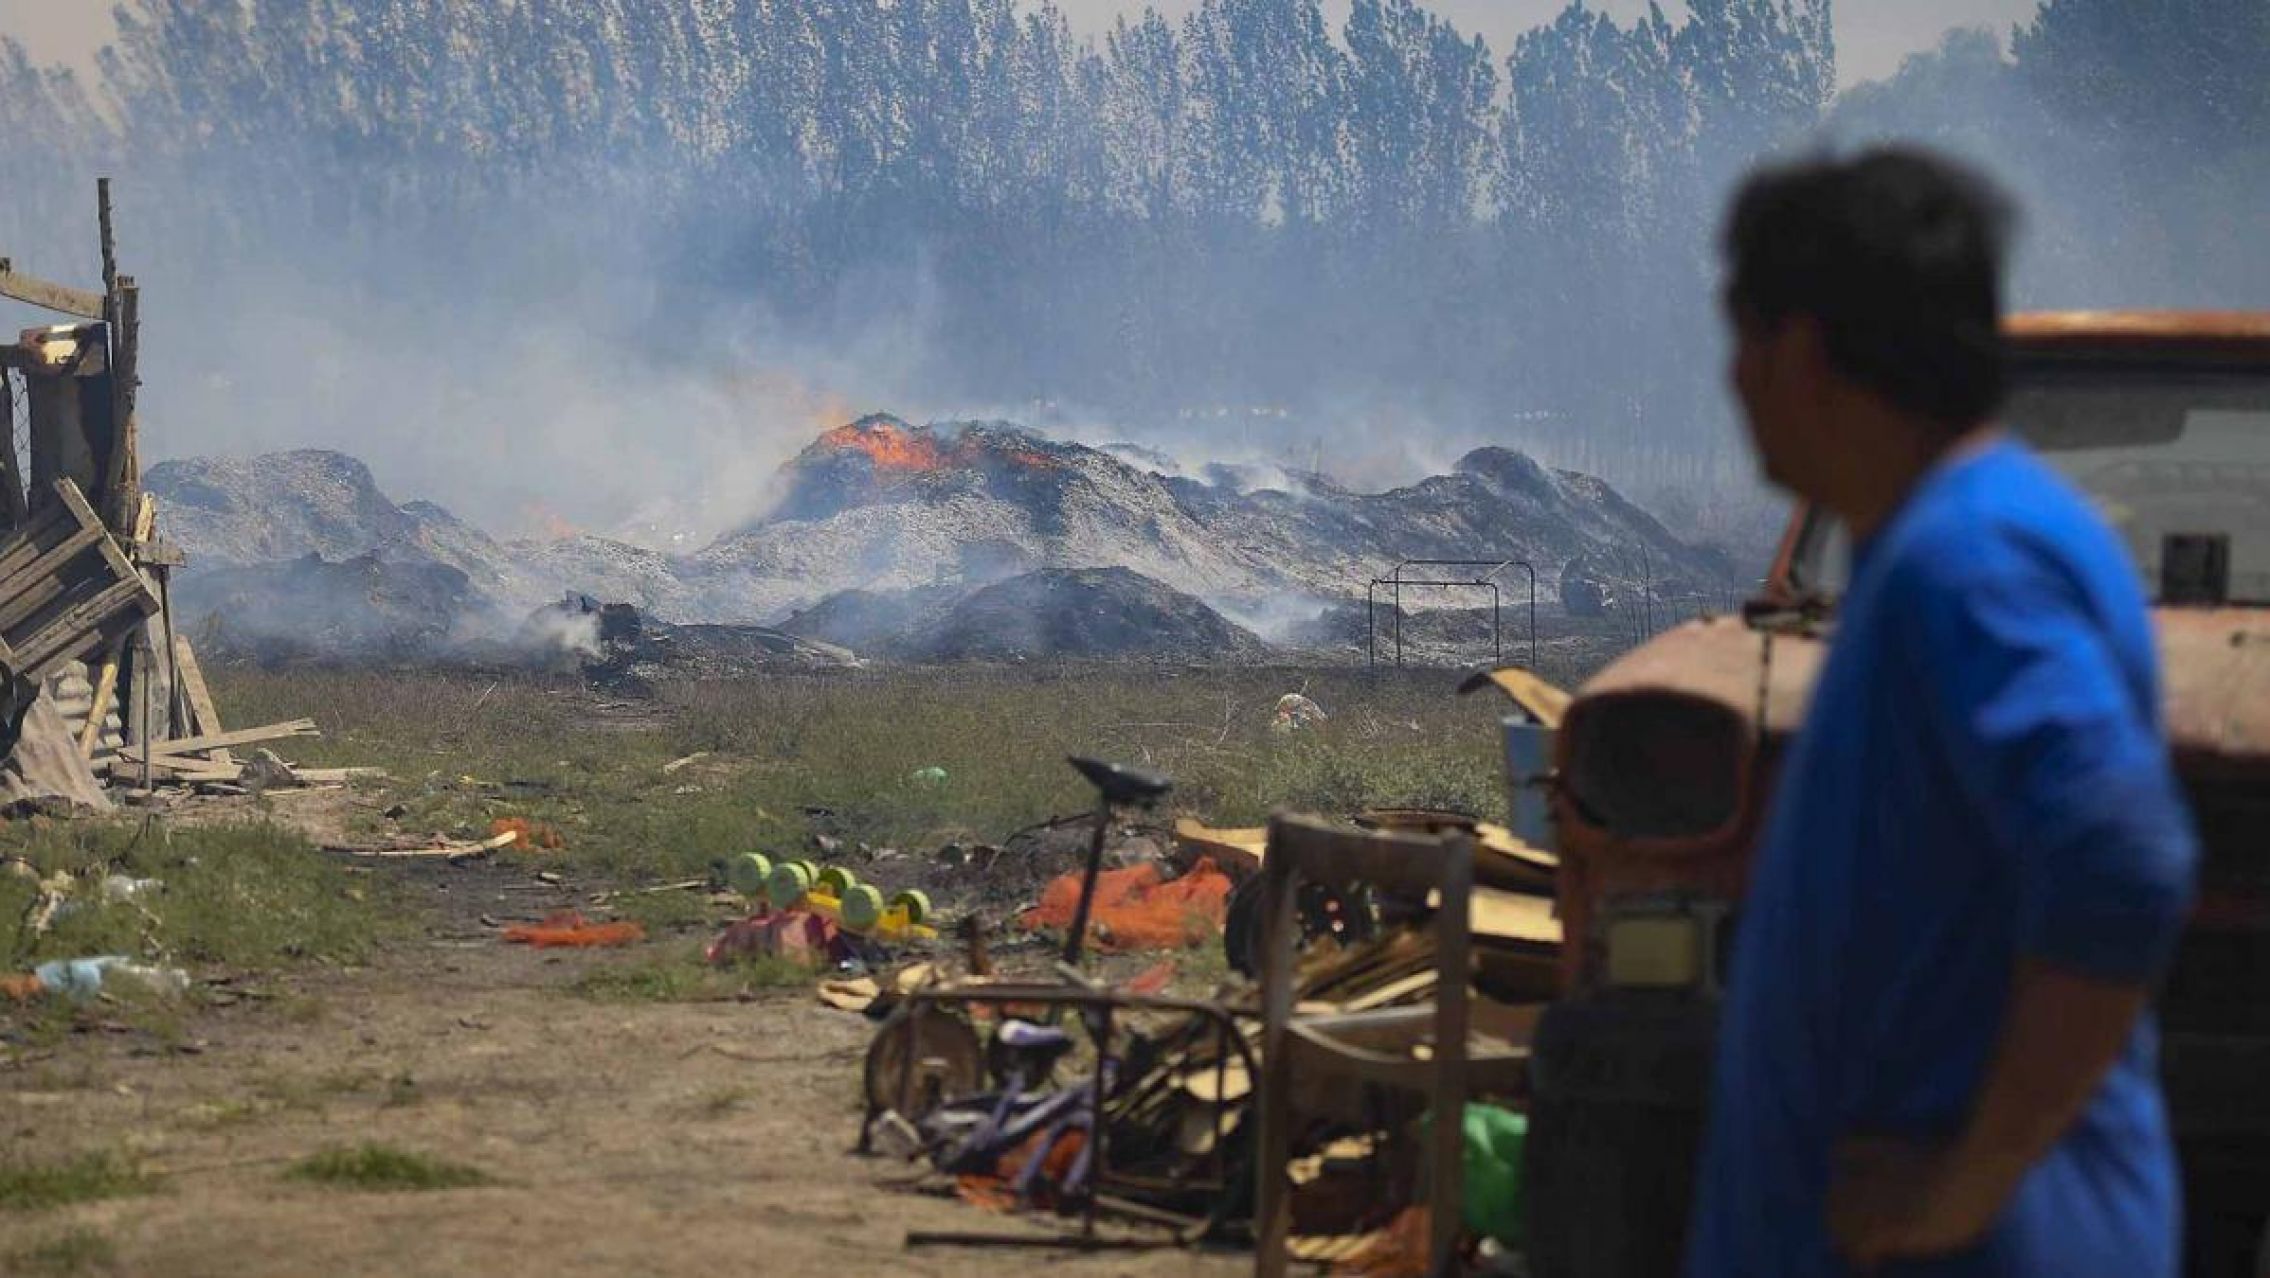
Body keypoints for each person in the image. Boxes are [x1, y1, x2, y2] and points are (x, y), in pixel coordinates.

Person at [1685, 148, 2199, 1276]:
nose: (1730, 381)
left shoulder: (1966, 558)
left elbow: (2119, 857)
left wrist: (1960, 1189)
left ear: (1801, 350)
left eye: (1740, 339)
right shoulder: (1927, 548)